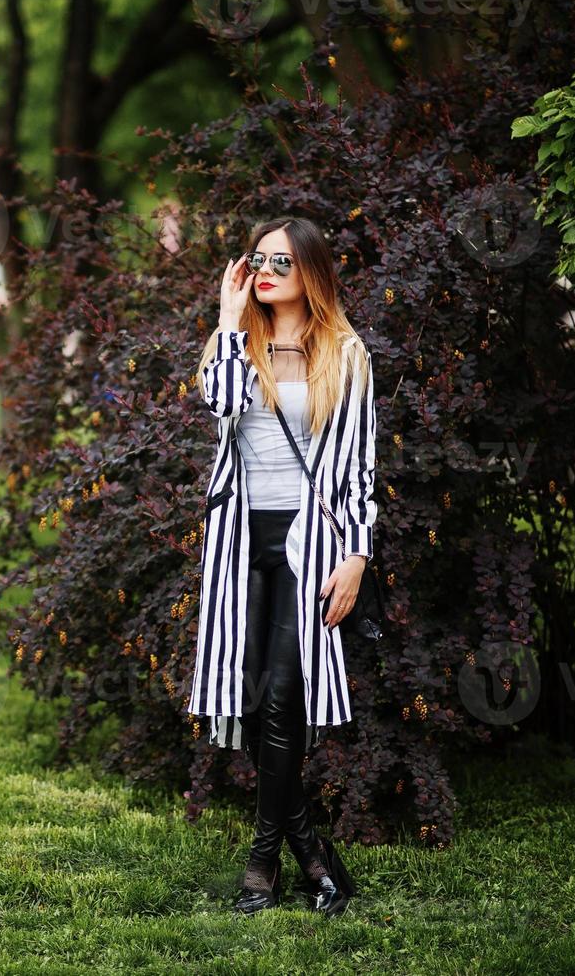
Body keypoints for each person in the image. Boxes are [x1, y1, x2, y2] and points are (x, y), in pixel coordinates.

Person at [186, 216, 377, 916]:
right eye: (256, 259)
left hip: (310, 545)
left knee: (278, 698)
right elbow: (221, 404)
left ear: (311, 274)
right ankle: (311, 855)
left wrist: (356, 555)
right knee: (251, 698)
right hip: (241, 542)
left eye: (280, 263)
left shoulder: (345, 353)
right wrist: (227, 317)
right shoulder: (237, 343)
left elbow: (357, 470)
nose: (263, 271)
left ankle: (261, 863)